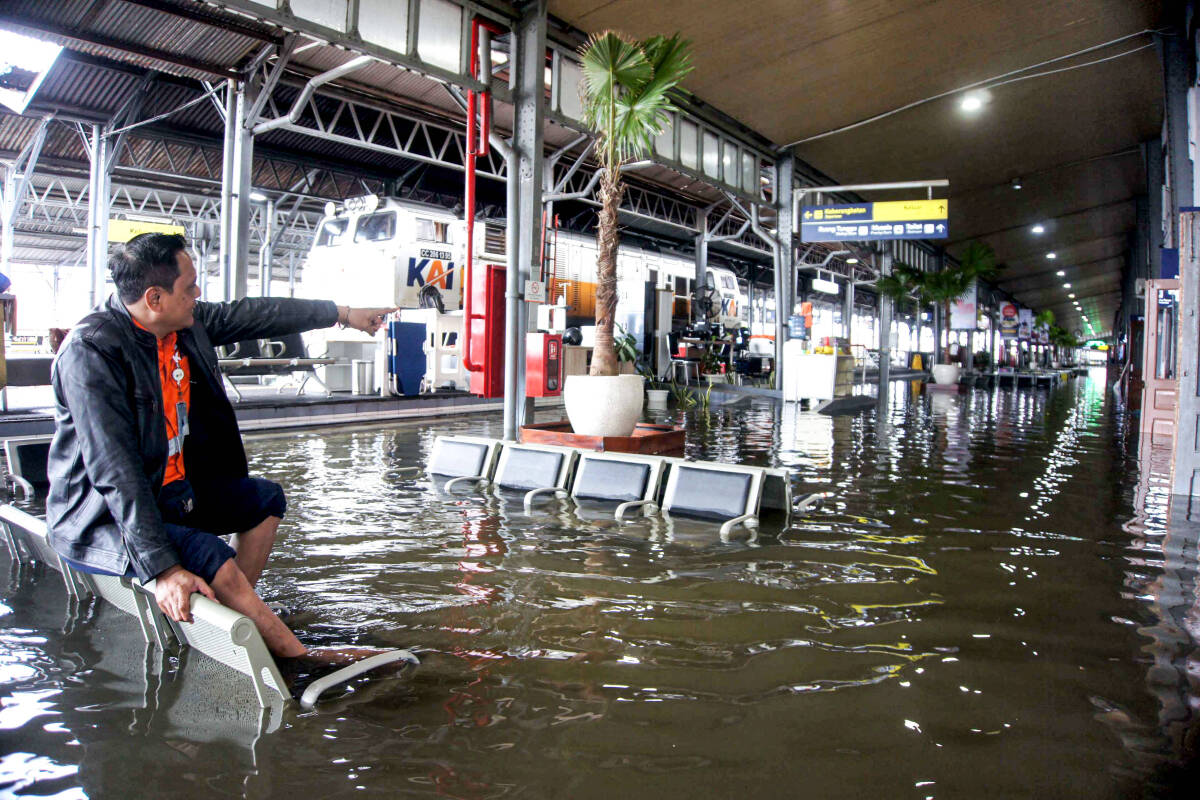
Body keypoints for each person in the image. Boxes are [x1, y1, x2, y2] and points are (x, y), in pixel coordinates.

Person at [46, 232, 394, 665]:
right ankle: (299, 663)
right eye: (190, 286)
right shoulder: (92, 352)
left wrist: (342, 313)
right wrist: (166, 570)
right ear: (155, 297)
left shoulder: (182, 324)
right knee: (209, 555)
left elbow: (258, 314)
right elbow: (114, 472)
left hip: (169, 494)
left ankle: (232, 618)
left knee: (264, 500)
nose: (198, 294)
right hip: (100, 515)